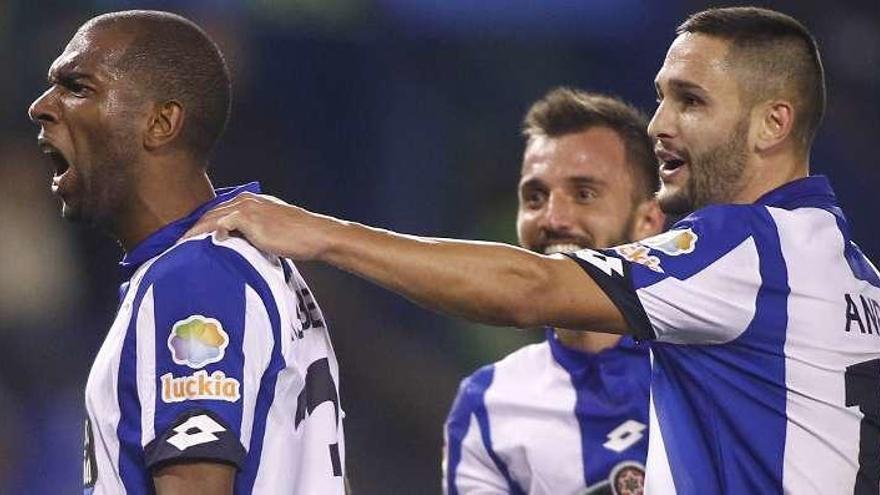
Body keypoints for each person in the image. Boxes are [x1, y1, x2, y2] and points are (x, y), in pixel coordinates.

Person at [187, 7, 880, 493]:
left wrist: (323, 233)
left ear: (772, 123)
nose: (662, 124)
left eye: (692, 102)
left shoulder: (750, 245)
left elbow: (532, 289)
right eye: (661, 98)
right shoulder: (854, 274)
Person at [29, 10, 345, 494]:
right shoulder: (244, 263)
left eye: (77, 87)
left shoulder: (193, 279)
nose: (41, 107)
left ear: (160, 122)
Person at [443, 88, 663, 494]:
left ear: (648, 220)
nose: (554, 218)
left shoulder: (712, 370)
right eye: (535, 197)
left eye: (584, 194)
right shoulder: (489, 402)